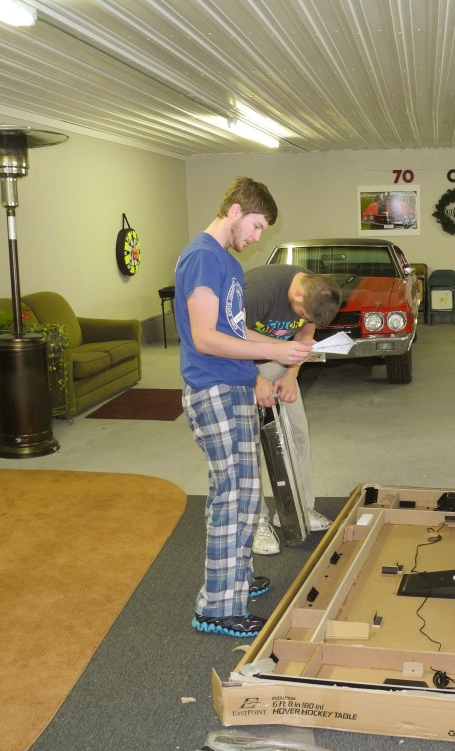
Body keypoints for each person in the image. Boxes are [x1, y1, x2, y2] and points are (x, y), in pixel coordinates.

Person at [175, 177, 313, 638]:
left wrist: (281, 350)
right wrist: (274, 353)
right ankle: (216, 607)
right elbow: (205, 338)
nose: (257, 238)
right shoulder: (201, 257)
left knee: (243, 494)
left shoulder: (228, 265)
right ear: (235, 211)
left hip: (234, 385)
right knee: (232, 499)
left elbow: (235, 333)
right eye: (256, 226)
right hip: (212, 389)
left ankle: (234, 579)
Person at [244, 264, 341, 555]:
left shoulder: (313, 293)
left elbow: (305, 334)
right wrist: (255, 380)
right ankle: (256, 522)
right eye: (299, 313)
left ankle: (298, 509)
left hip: (278, 360)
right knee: (247, 444)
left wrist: (290, 375)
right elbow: (229, 337)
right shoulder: (259, 293)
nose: (300, 318)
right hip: (239, 362)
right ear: (297, 292)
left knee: (297, 432)